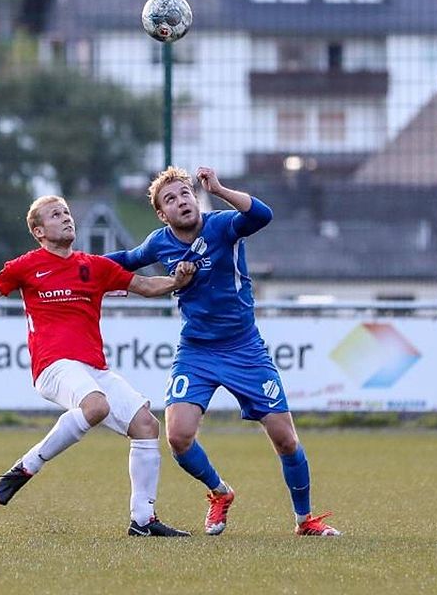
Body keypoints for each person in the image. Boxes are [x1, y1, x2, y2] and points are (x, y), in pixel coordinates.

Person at [0, 195, 195, 537]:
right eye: (55, 215)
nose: (66, 218)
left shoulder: (95, 265)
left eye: (66, 212)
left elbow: (146, 286)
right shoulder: (24, 266)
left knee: (147, 426)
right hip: (53, 366)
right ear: (38, 231)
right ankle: (27, 465)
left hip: (94, 368)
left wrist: (177, 282)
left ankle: (143, 521)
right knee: (95, 406)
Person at [106, 166, 341, 537]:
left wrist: (218, 189)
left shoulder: (222, 225)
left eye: (185, 193)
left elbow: (261, 215)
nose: (181, 201)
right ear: (161, 213)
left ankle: (304, 520)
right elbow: (124, 260)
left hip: (244, 348)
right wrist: (74, 267)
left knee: (286, 438)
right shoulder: (159, 242)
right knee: (178, 437)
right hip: (196, 351)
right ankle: (220, 492)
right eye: (170, 199)